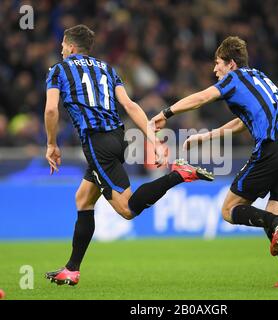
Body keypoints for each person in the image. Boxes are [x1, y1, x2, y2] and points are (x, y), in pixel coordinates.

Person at [44, 25, 213, 286]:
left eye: (63, 46)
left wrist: (51, 144)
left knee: (127, 209)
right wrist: (154, 141)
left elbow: (51, 111)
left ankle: (178, 175)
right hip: (118, 138)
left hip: (96, 142)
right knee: (83, 199)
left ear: (71, 47)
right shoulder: (108, 69)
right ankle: (72, 269)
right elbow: (131, 105)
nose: (61, 50)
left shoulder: (58, 71)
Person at [151, 36, 278, 287]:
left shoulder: (234, 79)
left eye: (218, 63)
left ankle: (277, 224)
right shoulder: (261, 78)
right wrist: (207, 136)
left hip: (273, 147)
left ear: (231, 64)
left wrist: (165, 113)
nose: (215, 70)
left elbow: (201, 98)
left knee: (229, 209)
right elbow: (242, 121)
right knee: (273, 216)